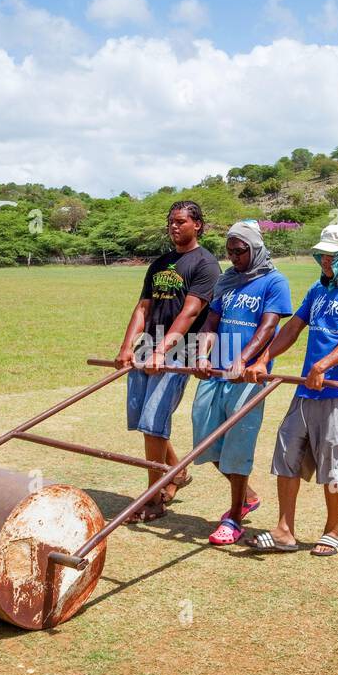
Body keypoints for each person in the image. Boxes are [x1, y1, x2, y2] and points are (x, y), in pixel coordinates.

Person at [241, 224, 338, 556]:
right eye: (321, 256)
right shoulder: (317, 291)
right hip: (306, 391)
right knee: (286, 452)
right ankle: (284, 531)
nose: (326, 263)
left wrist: (322, 365)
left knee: (332, 460)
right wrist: (264, 358)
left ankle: (333, 530)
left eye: (332, 256)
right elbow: (292, 328)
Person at [115, 199, 221, 521]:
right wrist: (127, 347)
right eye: (171, 222)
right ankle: (177, 472)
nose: (174, 227)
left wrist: (164, 350)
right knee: (145, 420)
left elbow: (191, 312)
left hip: (180, 349)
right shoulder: (159, 263)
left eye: (180, 222)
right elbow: (143, 307)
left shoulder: (206, 264)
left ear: (197, 225)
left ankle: (154, 497)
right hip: (149, 345)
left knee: (153, 420)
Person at [190, 221, 292, 545]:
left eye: (240, 251)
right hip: (215, 373)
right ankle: (246, 495)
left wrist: (244, 360)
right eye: (230, 251)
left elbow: (268, 327)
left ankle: (234, 517)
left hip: (247, 378)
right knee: (206, 444)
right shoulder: (226, 281)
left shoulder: (274, 281)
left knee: (238, 446)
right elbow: (210, 322)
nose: (234, 257)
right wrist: (202, 355)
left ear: (255, 248)